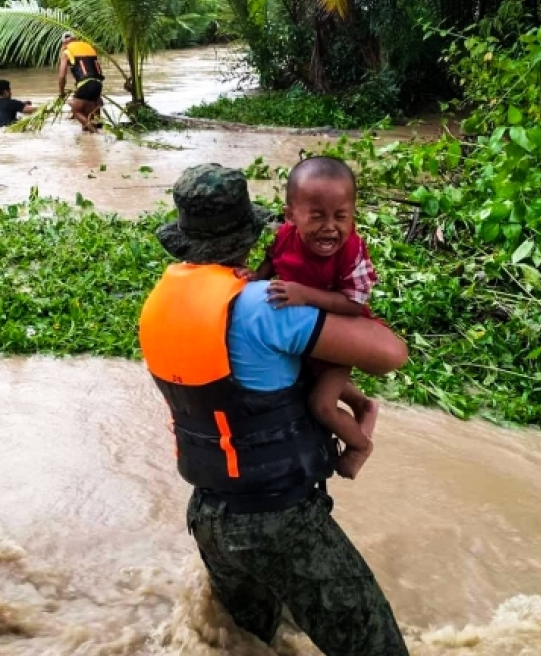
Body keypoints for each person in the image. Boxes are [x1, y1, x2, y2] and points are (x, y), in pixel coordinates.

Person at [137, 164, 410, 655]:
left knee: (248, 644)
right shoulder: (265, 304)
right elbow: (391, 354)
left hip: (208, 514)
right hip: (279, 518)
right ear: (252, 232)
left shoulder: (160, 303)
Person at [238, 156, 381, 479]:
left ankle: (359, 445)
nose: (330, 226)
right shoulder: (284, 236)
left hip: (342, 332)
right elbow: (271, 265)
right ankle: (364, 405)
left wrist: (303, 294)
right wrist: (253, 279)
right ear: (291, 216)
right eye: (317, 216)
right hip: (305, 332)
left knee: (322, 405)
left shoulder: (352, 251)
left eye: (341, 217)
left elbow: (354, 304)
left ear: (353, 215)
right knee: (308, 381)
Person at [58, 33, 104, 133]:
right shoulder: (88, 47)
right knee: (89, 119)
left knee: (77, 111)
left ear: (64, 44)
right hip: (98, 84)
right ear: (76, 39)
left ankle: (96, 134)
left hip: (85, 84)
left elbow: (62, 75)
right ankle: (93, 141)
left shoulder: (66, 51)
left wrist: (61, 93)